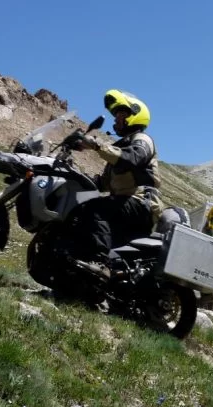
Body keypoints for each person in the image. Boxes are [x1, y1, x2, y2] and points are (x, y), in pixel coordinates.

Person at [69, 89, 162, 279]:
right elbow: (103, 183)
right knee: (80, 211)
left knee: (95, 208)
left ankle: (99, 262)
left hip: (141, 204)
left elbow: (132, 159)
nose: (116, 120)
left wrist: (96, 145)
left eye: (121, 115)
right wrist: (74, 176)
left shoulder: (142, 140)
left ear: (136, 114)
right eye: (116, 116)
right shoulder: (121, 147)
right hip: (123, 203)